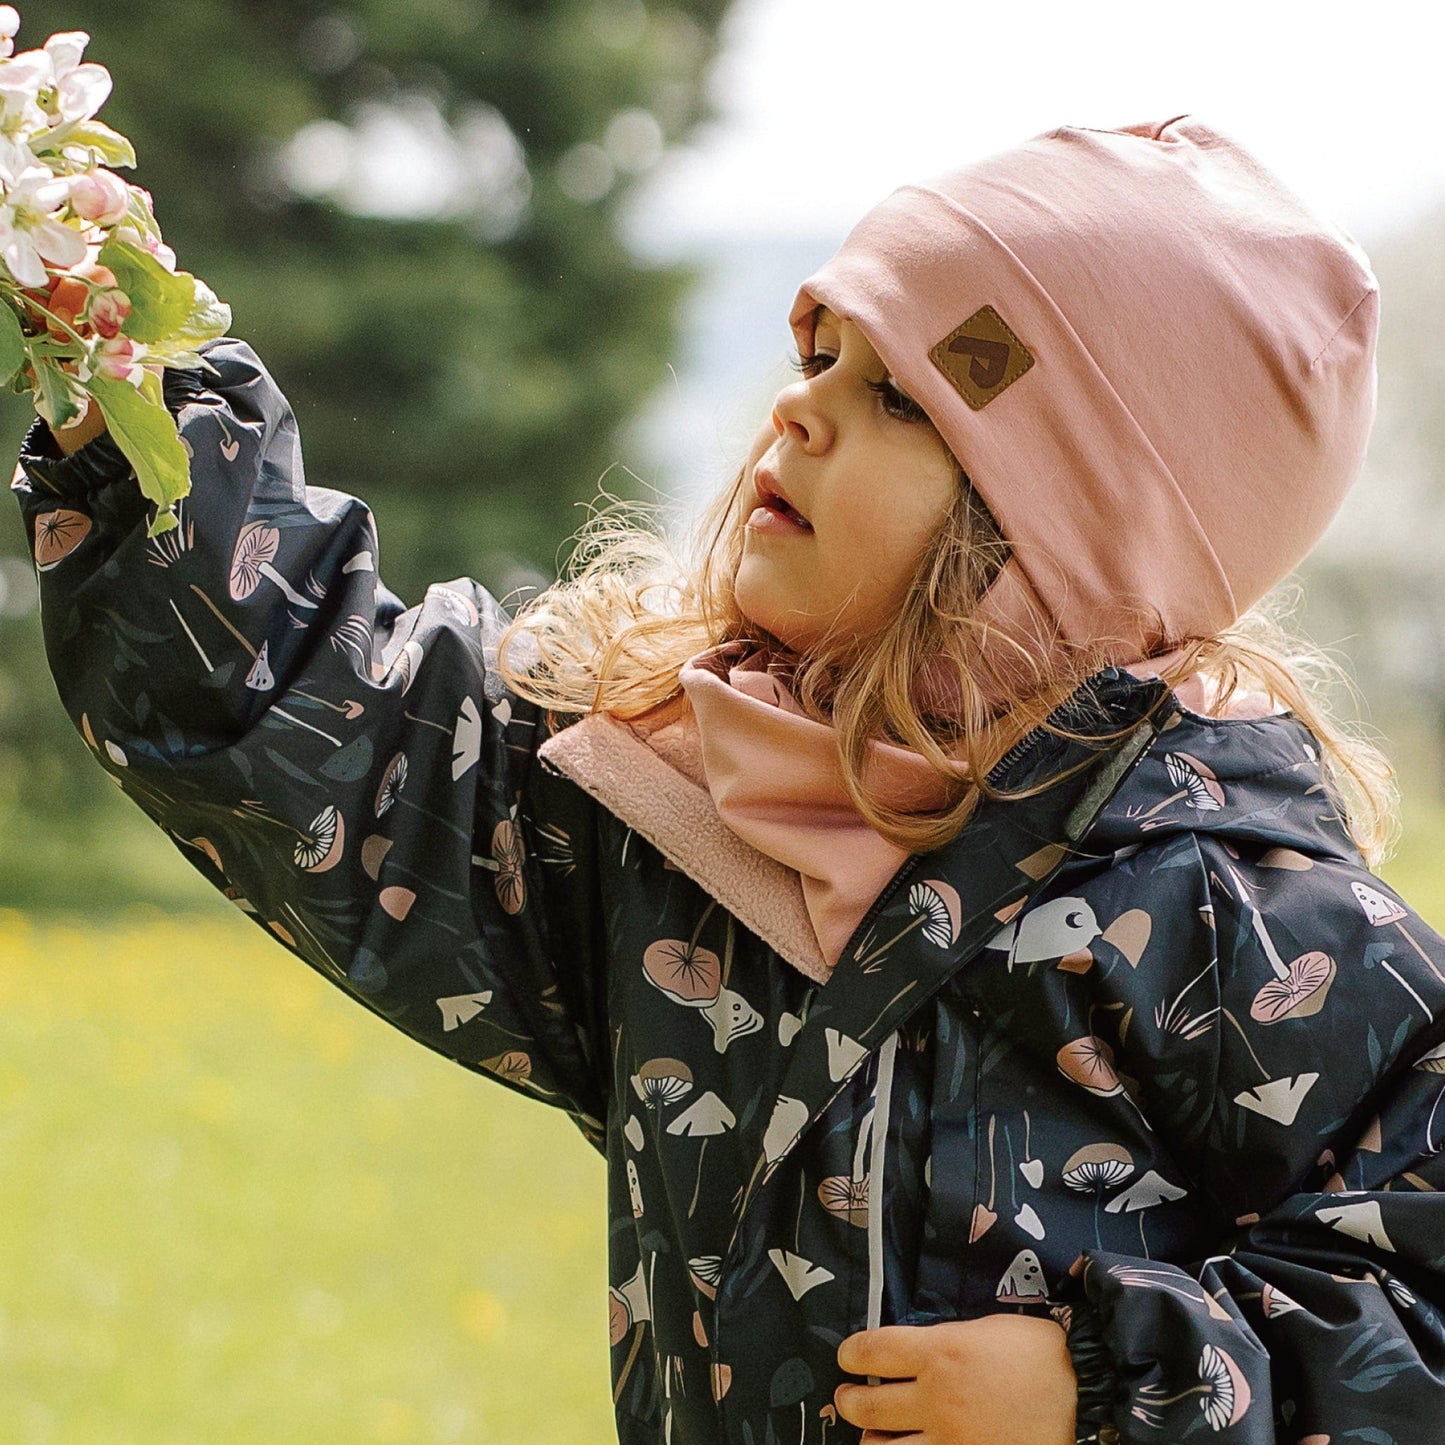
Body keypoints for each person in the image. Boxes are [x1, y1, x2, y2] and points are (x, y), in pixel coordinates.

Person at [14, 114, 1445, 1445]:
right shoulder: (669, 804)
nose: (803, 412)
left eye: (898, 398)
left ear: (1070, 536)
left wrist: (1109, 1381)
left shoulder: (1227, 904)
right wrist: (126, 394)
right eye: (817, 354)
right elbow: (330, 724)